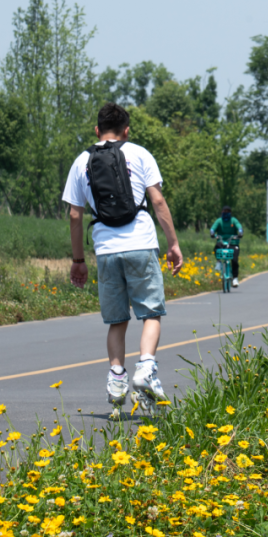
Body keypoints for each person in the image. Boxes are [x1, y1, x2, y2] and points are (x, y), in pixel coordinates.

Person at [63, 102, 184, 417]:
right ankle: (145, 368)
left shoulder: (81, 161)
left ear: (97, 130)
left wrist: (78, 260)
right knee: (151, 313)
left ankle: (117, 378)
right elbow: (156, 200)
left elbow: (75, 215)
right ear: (126, 131)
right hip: (141, 244)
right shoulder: (140, 154)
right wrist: (173, 244)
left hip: (105, 249)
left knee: (117, 320)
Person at [210, 206, 244, 287]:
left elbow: (239, 226)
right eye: (224, 211)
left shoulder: (233, 220)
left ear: (230, 212)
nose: (226, 212)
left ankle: (235, 278)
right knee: (217, 248)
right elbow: (213, 228)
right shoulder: (219, 221)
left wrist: (240, 232)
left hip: (233, 242)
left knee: (234, 259)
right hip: (221, 241)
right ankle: (218, 262)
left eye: (228, 211)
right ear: (222, 212)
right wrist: (212, 233)